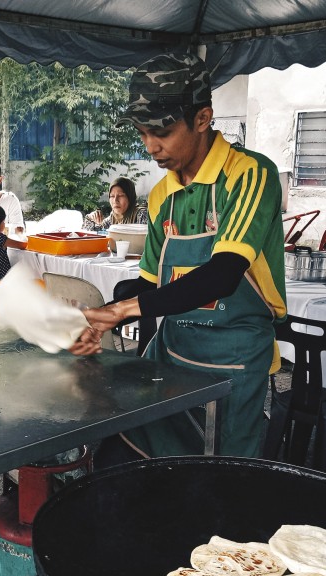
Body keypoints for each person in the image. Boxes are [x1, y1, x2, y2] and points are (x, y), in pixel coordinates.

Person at [68, 53, 286, 463]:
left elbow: (223, 275)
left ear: (202, 119)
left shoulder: (249, 175)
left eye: (162, 132)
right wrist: (104, 313)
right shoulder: (163, 194)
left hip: (232, 359)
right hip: (173, 352)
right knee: (120, 459)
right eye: (142, 132)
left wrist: (123, 310)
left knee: (221, 479)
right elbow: (150, 285)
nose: (151, 147)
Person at [83, 176, 149, 232]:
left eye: (120, 195)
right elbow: (92, 234)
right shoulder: (112, 219)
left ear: (130, 197)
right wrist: (91, 218)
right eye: (112, 196)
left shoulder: (141, 215)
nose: (115, 200)